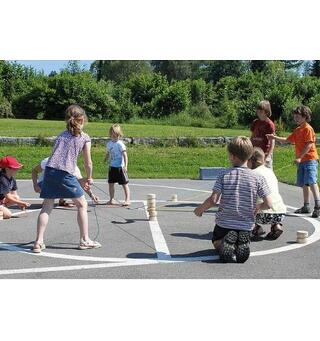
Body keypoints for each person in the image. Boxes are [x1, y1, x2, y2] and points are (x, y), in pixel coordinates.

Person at [32, 104, 101, 253]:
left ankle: (38, 242)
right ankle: (84, 240)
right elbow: (88, 162)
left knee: (47, 206)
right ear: (82, 119)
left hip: (49, 171)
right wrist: (89, 177)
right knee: (82, 204)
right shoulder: (84, 137)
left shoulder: (61, 135)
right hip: (65, 173)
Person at [194, 137, 272, 263]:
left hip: (224, 223)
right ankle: (239, 243)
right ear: (250, 155)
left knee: (215, 242)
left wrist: (200, 209)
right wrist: (258, 207)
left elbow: (213, 200)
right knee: (239, 235)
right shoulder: (258, 177)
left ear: (231, 156)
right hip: (246, 225)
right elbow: (268, 203)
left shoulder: (224, 174)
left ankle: (224, 243)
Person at [267, 105, 320, 218]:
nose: (295, 119)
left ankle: (318, 205)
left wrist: (300, 157)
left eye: (298, 117)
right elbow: (288, 140)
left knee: (311, 181)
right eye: (294, 117)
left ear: (305, 117)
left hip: (310, 160)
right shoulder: (298, 130)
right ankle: (306, 206)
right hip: (302, 161)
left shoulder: (308, 128)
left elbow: (309, 144)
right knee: (304, 184)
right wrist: (274, 138)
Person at [248, 147, 286, 240]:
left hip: (262, 214)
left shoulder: (252, 174)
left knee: (245, 204)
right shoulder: (270, 171)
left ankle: (256, 228)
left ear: (251, 161)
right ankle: (276, 226)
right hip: (280, 212)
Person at [32, 157, 99, 205]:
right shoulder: (48, 161)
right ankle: (48, 198)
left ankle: (61, 199)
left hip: (60, 183)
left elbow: (81, 182)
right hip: (44, 182)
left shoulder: (73, 167)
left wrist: (92, 195)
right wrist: (35, 185)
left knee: (68, 182)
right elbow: (34, 171)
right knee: (60, 181)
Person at [105, 124, 130, 206]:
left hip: (120, 168)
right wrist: (106, 158)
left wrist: (125, 166)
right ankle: (111, 199)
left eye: (117, 135)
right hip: (112, 167)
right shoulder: (109, 144)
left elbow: (125, 155)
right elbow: (108, 153)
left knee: (124, 184)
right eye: (113, 135)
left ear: (119, 135)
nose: (115, 137)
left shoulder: (120, 144)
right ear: (110, 134)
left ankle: (127, 200)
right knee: (111, 184)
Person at [250, 100, 275, 168]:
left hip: (265, 153)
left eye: (261, 111)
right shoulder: (255, 122)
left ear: (266, 112)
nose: (258, 113)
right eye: (258, 111)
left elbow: (272, 141)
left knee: (266, 171)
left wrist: (268, 155)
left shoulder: (269, 124)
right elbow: (252, 136)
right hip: (254, 153)